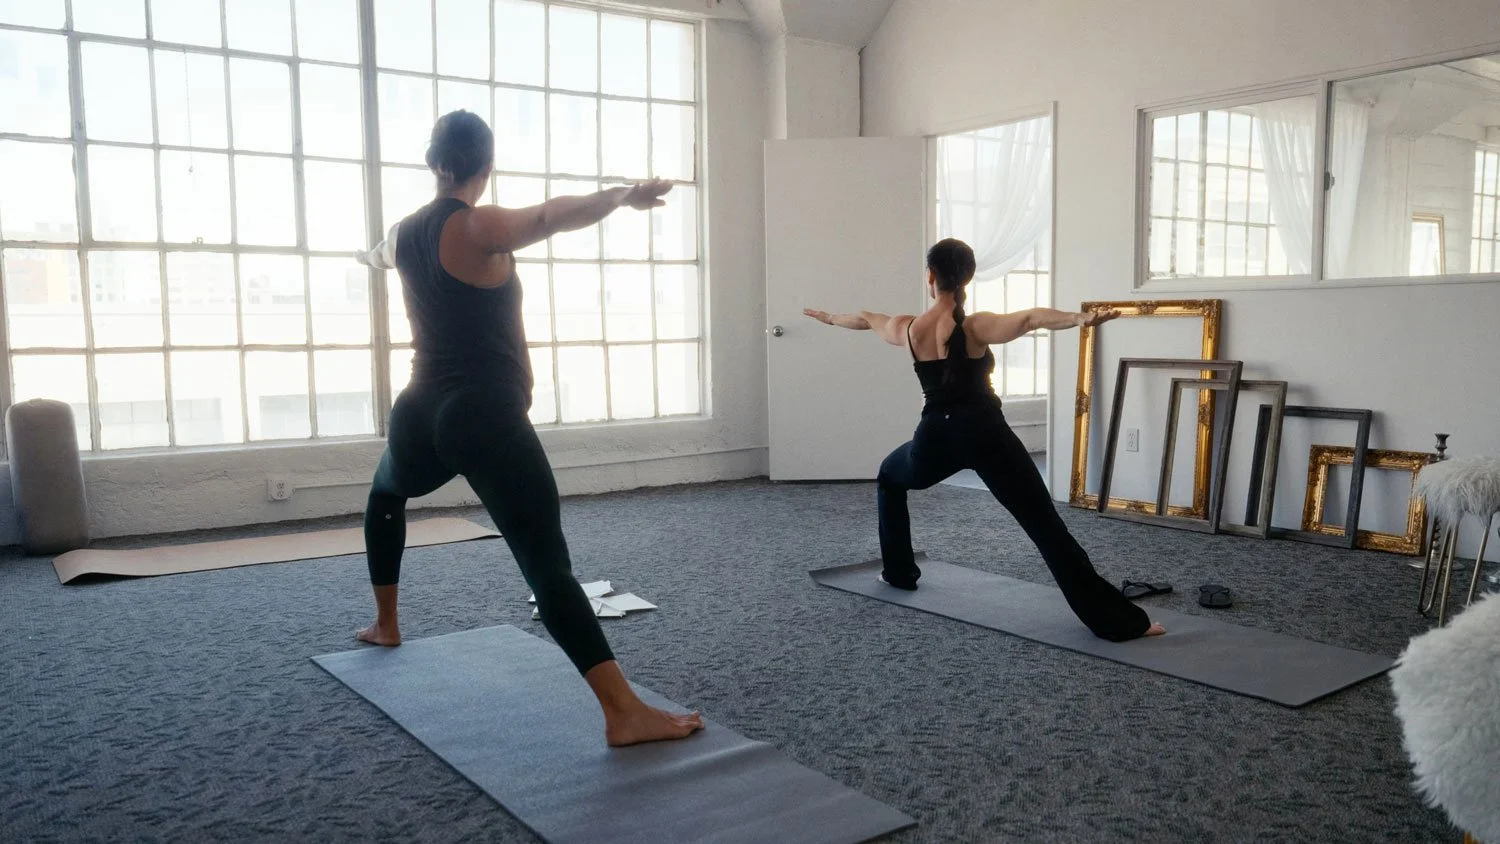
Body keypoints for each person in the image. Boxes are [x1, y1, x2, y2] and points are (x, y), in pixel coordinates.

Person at [352, 110, 703, 746]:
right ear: (486, 166)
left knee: (385, 494)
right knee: (547, 566)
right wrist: (623, 195)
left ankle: (386, 623)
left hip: (420, 408)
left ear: (435, 163)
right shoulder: (479, 224)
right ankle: (623, 712)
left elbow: (376, 254)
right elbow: (546, 218)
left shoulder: (404, 233)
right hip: (484, 414)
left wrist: (370, 252)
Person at [803, 238, 1165, 642]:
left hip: (935, 436)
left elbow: (869, 319)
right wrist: (1077, 319)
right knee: (1045, 527)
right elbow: (1029, 319)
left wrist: (832, 318)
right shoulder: (974, 326)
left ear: (931, 277)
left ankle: (900, 573)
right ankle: (1117, 622)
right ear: (967, 279)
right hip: (986, 435)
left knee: (890, 476)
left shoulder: (910, 329)